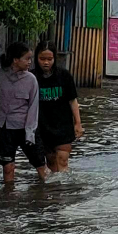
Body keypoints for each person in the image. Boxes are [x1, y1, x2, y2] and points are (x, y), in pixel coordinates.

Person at [0, 41, 48, 183]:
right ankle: (8, 193)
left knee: (40, 166)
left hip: (25, 128)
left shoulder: (31, 80)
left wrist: (30, 132)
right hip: (5, 129)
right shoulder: (1, 75)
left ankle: (48, 192)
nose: (30, 62)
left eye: (30, 59)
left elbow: (33, 108)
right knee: (7, 168)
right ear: (15, 60)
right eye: (27, 59)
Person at [33, 42, 83, 173]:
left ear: (55, 58)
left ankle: (64, 185)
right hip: (42, 126)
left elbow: (73, 101)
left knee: (62, 159)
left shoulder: (64, 76)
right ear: (36, 58)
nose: (46, 63)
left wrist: (78, 123)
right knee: (50, 161)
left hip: (63, 125)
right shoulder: (31, 78)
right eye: (42, 59)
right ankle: (54, 186)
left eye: (49, 59)